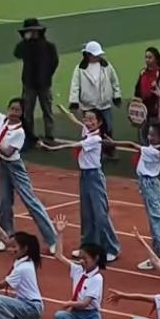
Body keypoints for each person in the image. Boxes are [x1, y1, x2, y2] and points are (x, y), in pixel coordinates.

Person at [0, 73, 59, 254]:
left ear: (22, 114)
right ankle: (5, 236)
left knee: (30, 201)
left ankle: (52, 239)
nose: (13, 112)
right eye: (11, 109)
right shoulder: (2, 120)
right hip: (1, 165)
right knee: (3, 202)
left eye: (17, 110)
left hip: (14, 167)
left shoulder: (19, 132)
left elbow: (8, 151)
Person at [106, 122, 160, 268]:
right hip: (151, 184)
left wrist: (114, 143)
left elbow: (131, 144)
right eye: (149, 134)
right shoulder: (157, 149)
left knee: (157, 221)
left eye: (153, 135)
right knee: (156, 220)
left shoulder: (153, 151)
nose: (149, 137)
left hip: (149, 184)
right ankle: (158, 253)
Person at [59, 106, 121, 264]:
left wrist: (52, 147)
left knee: (100, 214)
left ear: (99, 122)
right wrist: (68, 114)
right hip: (84, 176)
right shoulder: (87, 131)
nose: (88, 122)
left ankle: (111, 248)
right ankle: (87, 247)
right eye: (86, 119)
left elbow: (74, 146)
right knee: (86, 214)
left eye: (92, 119)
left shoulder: (95, 139)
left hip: (94, 177)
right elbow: (78, 123)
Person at [55, 234, 105, 319]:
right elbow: (59, 256)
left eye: (85, 258)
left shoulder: (97, 279)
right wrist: (60, 233)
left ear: (95, 258)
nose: (81, 261)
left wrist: (69, 303)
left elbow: (85, 303)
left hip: (89, 318)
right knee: (60, 316)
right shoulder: (78, 270)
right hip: (76, 313)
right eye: (80, 258)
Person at [14, 16, 59, 148]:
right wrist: (25, 40)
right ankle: (29, 136)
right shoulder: (25, 46)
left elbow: (54, 62)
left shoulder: (48, 46)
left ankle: (49, 135)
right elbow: (17, 53)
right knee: (27, 112)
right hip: (29, 84)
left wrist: (47, 75)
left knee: (47, 110)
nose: (32, 33)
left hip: (44, 84)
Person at [67, 40, 120, 138]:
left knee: (108, 127)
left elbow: (114, 80)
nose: (98, 57)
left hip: (104, 105)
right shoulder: (80, 69)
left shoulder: (106, 66)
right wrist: (74, 101)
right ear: (88, 55)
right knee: (90, 129)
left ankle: (108, 145)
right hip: (88, 106)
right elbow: (75, 85)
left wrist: (117, 95)